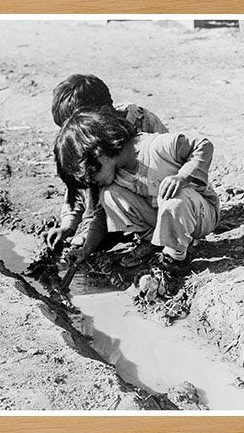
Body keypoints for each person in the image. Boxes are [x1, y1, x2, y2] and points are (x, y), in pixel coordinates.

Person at [54, 110, 220, 295]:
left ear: (99, 154)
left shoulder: (156, 147)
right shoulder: (115, 173)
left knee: (175, 199)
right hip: (163, 216)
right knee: (109, 195)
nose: (92, 183)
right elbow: (101, 216)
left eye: (91, 176)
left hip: (200, 214)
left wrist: (182, 177)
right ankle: (153, 242)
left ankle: (173, 259)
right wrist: (86, 250)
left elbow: (203, 145)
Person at [45, 74, 167, 254]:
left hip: (151, 202)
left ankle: (140, 232)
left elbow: (175, 163)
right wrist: (68, 224)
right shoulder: (84, 143)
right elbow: (77, 186)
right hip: (111, 204)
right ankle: (101, 226)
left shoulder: (142, 125)